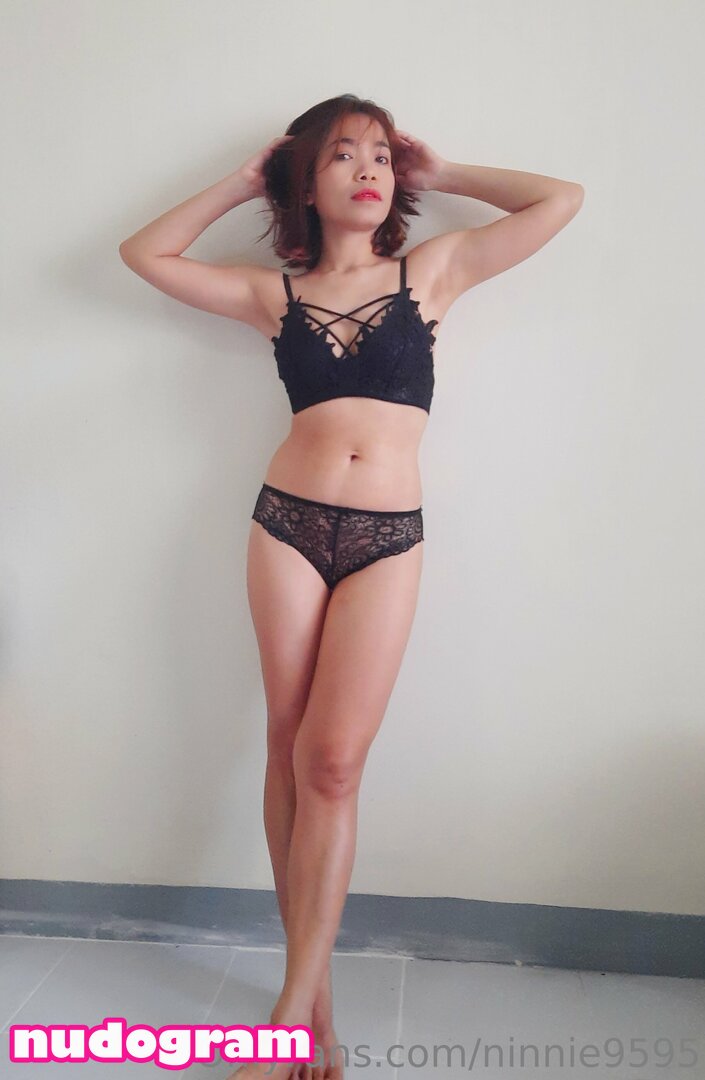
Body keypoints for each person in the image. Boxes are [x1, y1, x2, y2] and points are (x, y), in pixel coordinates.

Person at [119, 93, 584, 1080]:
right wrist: (245, 179)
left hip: (386, 537)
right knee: (287, 751)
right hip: (285, 525)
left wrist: (439, 171)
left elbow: (560, 199)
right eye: (341, 154)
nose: (367, 167)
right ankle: (308, 1009)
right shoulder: (273, 295)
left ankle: (290, 1014)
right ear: (306, 180)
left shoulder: (434, 271)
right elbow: (144, 254)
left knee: (332, 765)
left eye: (379, 154)